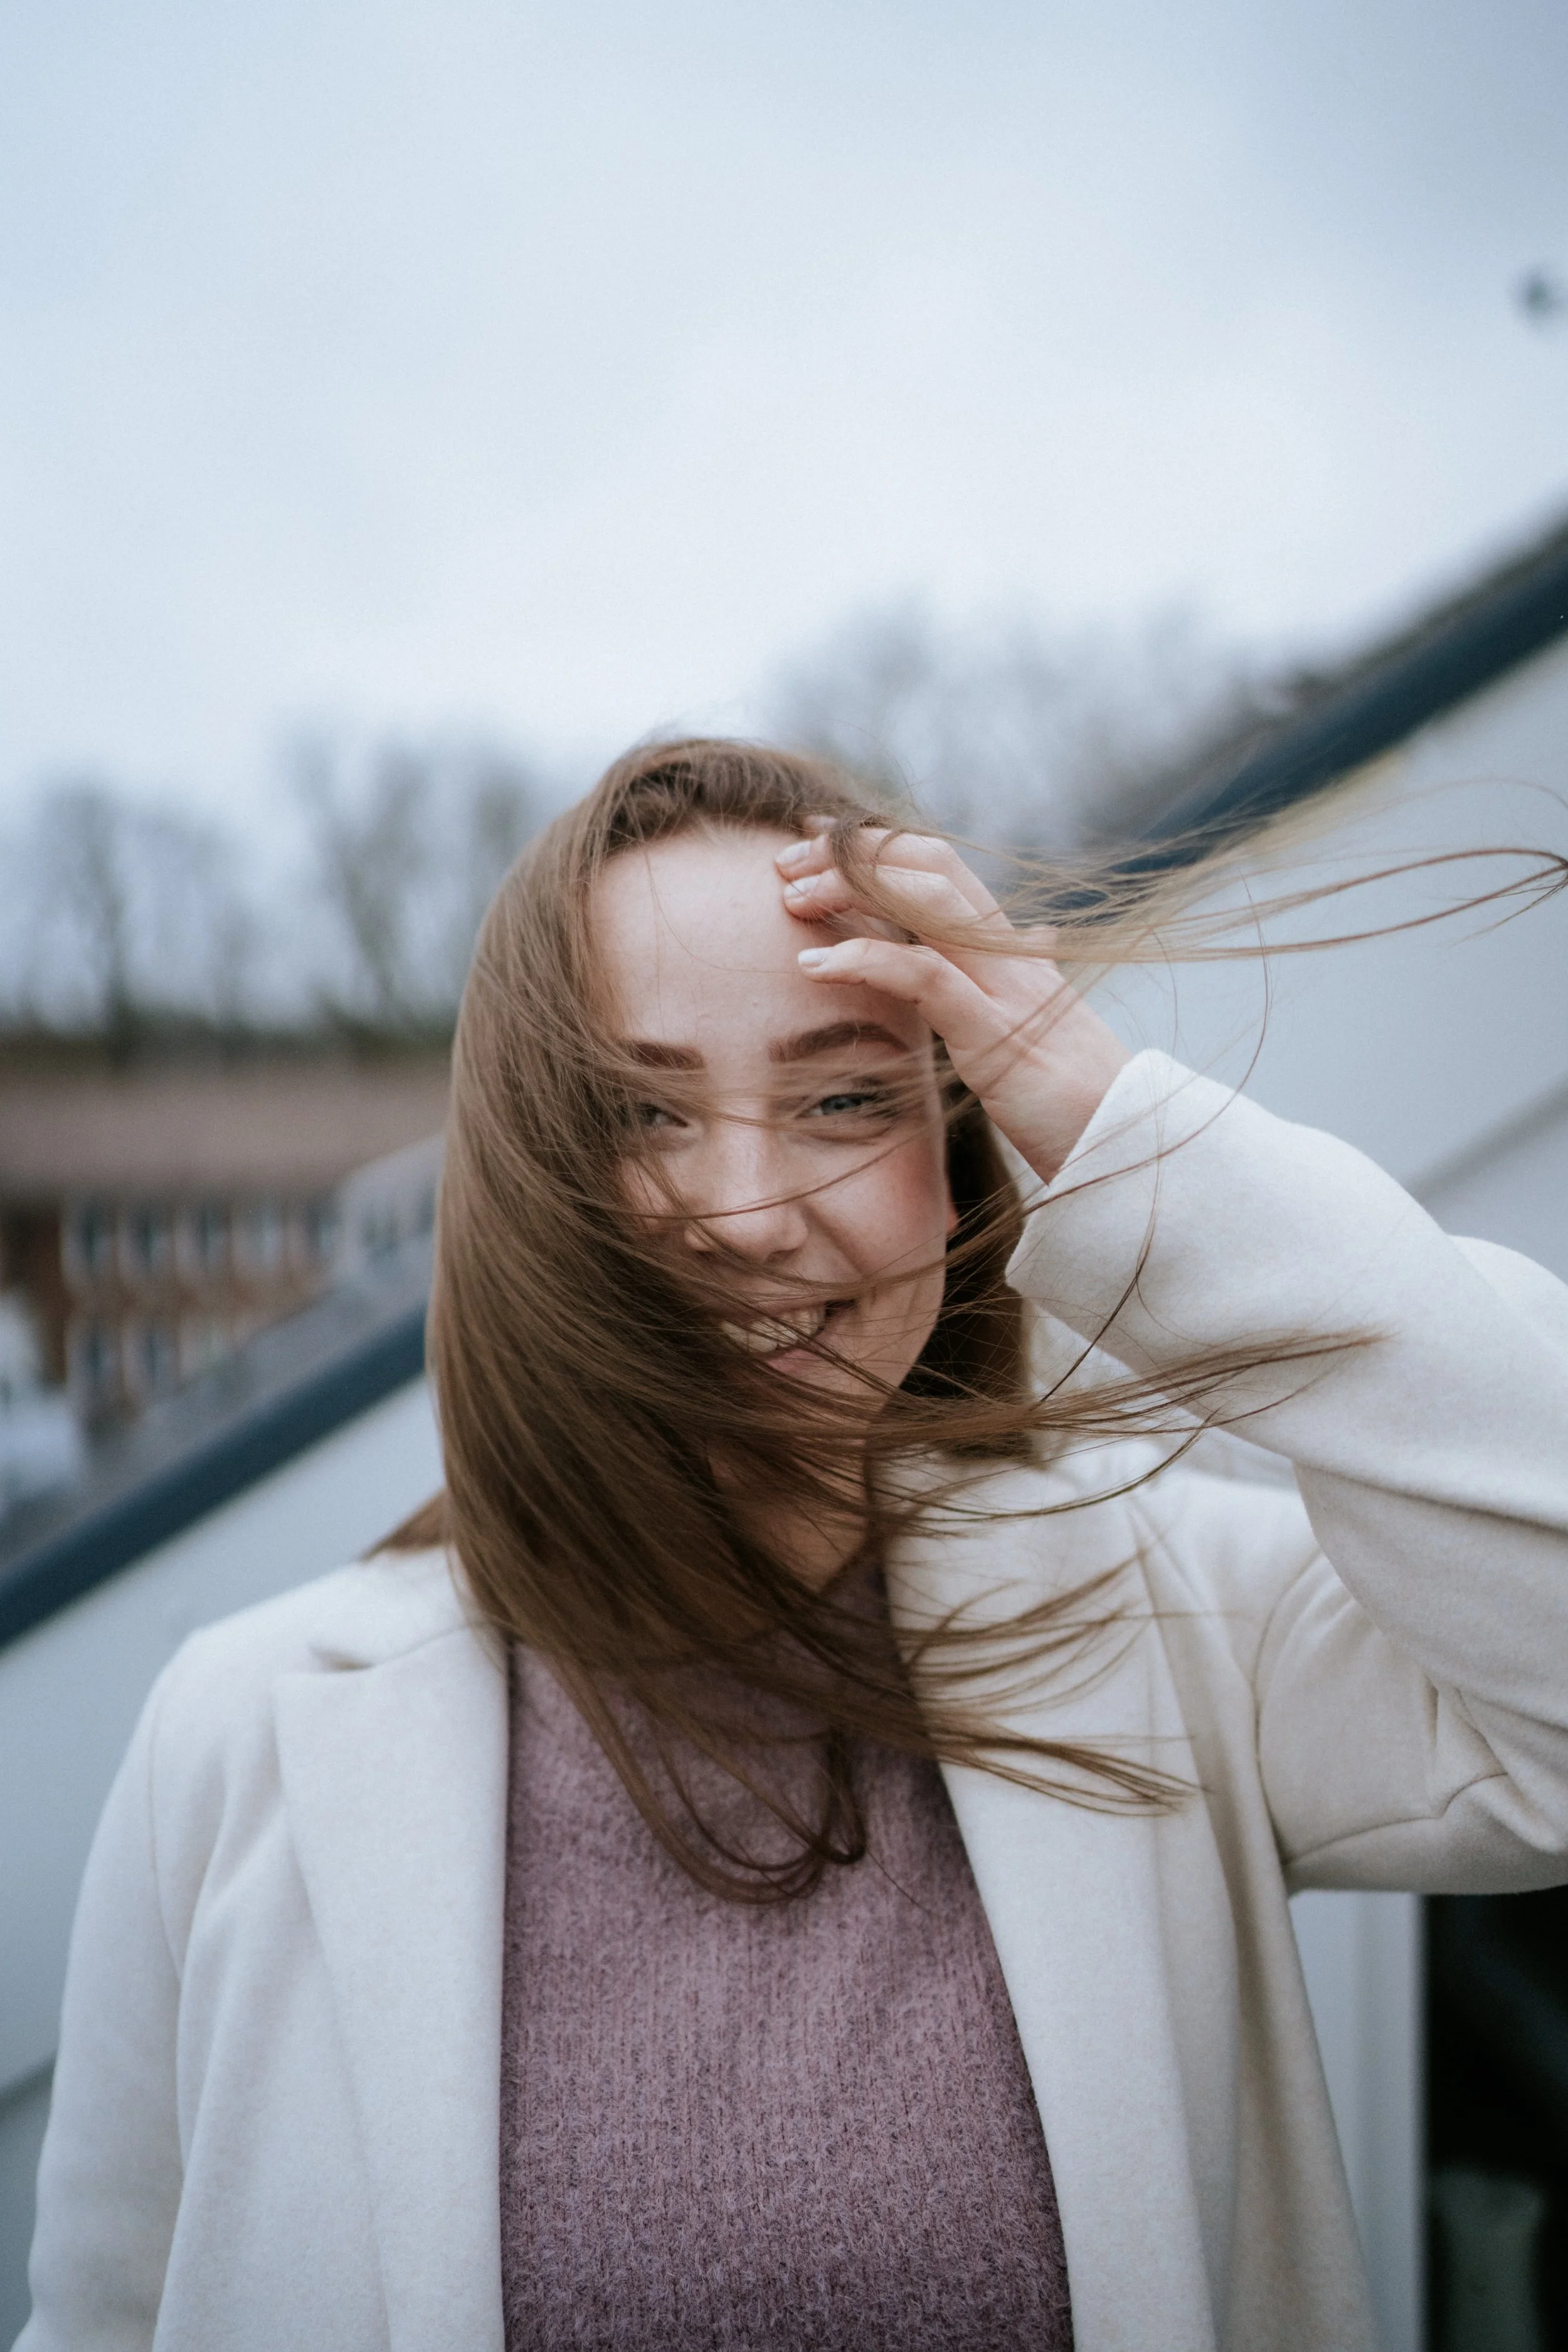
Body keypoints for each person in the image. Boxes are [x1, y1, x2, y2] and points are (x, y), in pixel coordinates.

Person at [18, 739, 1568, 2352]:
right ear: (521, 1184)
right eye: (643, 1113)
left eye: (842, 1097)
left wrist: (1105, 1113)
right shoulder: (241, 1732)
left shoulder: (1175, 1615)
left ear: (956, 1166)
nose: (750, 1210)